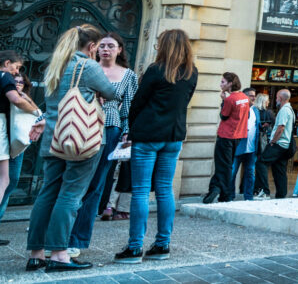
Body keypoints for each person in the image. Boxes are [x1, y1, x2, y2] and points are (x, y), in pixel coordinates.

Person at [27, 25, 116, 273]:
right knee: (70, 195)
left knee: (47, 193)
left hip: (52, 138)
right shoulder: (88, 66)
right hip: (80, 139)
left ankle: (36, 254)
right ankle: (59, 254)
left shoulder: (56, 64)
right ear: (92, 46)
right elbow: (111, 93)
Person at [114, 28, 197, 264]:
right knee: (164, 190)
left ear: (164, 46)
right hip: (173, 137)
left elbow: (138, 102)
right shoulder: (192, 73)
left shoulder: (155, 70)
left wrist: (132, 127)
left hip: (148, 135)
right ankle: (162, 244)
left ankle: (134, 248)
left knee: (141, 191)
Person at [69, 33, 139, 254]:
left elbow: (129, 108)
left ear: (119, 50)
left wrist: (127, 133)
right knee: (73, 181)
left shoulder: (128, 75)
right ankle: (59, 232)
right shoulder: (86, 68)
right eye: (102, 46)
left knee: (96, 184)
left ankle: (77, 240)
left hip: (110, 128)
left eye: (110, 46)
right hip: (81, 125)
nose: (105, 49)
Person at [0, 52, 43, 241]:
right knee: (4, 179)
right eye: (16, 67)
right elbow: (15, 99)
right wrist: (37, 113)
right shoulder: (4, 76)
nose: (16, 72)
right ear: (7, 63)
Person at [204, 72, 249, 204]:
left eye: (223, 82)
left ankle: (222, 192)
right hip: (238, 136)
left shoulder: (230, 99)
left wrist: (223, 101)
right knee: (226, 165)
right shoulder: (244, 98)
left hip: (226, 135)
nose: (220, 84)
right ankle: (217, 190)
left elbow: (223, 116)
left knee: (223, 165)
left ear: (230, 84)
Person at [257, 89, 295, 200]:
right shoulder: (290, 109)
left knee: (261, 162)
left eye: (277, 97)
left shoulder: (284, 110)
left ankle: (265, 191)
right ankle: (281, 195)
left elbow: (281, 128)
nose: (276, 100)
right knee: (279, 169)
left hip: (279, 143)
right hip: (285, 145)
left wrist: (273, 141)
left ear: (281, 98)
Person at [230, 88, 259, 201]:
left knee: (250, 174)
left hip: (251, 149)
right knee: (232, 173)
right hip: (238, 147)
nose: (254, 98)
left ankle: (248, 197)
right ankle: (229, 196)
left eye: (254, 95)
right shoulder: (238, 109)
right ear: (244, 96)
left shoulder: (255, 110)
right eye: (251, 95)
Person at [251, 93, 275, 199]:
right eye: (267, 100)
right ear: (264, 101)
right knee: (261, 165)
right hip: (263, 142)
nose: (269, 102)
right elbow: (275, 125)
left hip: (253, 141)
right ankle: (261, 189)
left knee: (255, 166)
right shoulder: (269, 113)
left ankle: (256, 189)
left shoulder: (253, 111)